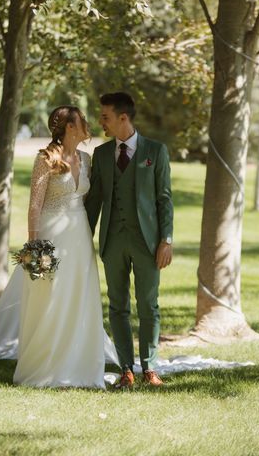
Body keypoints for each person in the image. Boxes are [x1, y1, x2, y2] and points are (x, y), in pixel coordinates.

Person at [0, 106, 119, 389]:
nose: (87, 124)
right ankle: (44, 366)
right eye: (81, 121)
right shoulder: (46, 158)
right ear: (69, 128)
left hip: (79, 237)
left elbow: (87, 201)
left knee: (79, 296)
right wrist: (35, 245)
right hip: (51, 236)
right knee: (48, 299)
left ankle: (79, 363)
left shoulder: (86, 159)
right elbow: (35, 205)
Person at [85, 92, 174, 389]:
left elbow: (165, 200)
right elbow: (95, 200)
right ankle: (126, 369)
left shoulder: (156, 151)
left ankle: (150, 368)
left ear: (123, 117)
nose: (101, 122)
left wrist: (167, 240)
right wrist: (84, 236)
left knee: (149, 305)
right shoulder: (101, 155)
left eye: (105, 116)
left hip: (148, 243)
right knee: (118, 306)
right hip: (113, 241)